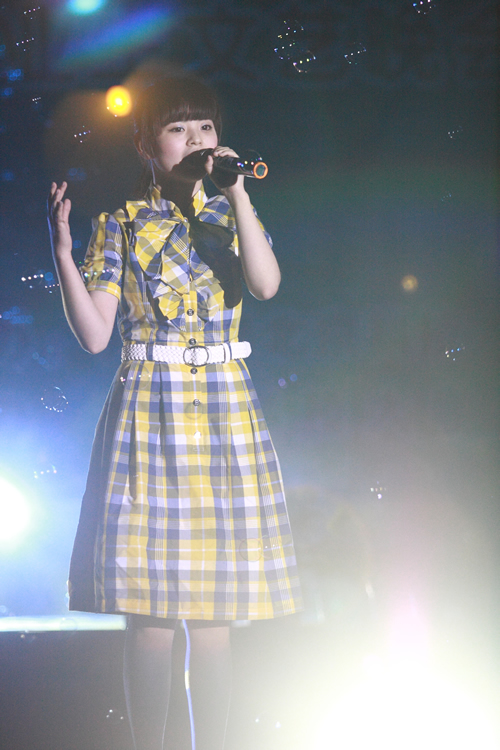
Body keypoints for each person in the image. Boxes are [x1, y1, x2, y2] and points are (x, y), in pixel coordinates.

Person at [47, 76, 301, 750]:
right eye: (178, 128)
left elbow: (266, 285)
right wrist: (64, 255)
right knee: (151, 621)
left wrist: (237, 192)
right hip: (150, 413)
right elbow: (95, 336)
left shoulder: (230, 216)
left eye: (205, 128)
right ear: (146, 144)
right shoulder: (121, 224)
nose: (195, 140)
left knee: (215, 623)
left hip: (224, 412)